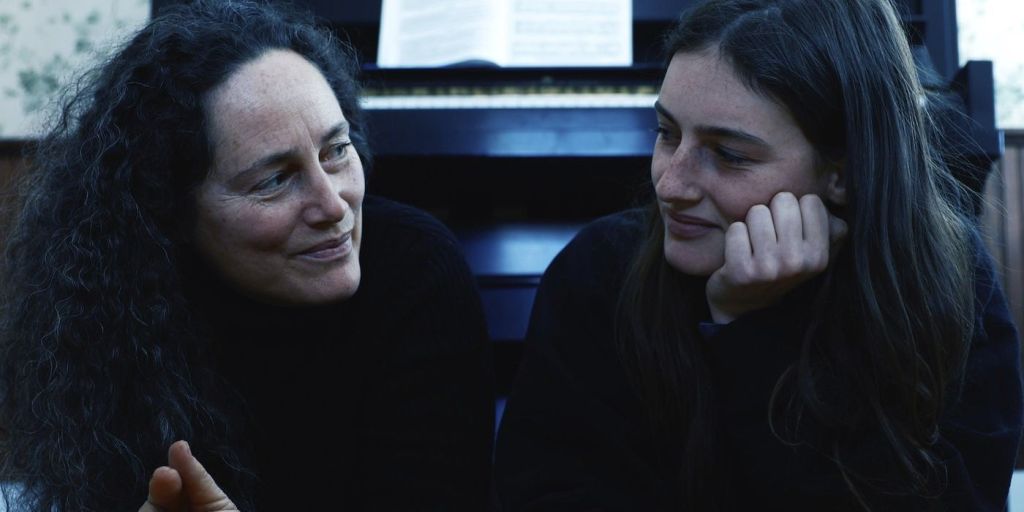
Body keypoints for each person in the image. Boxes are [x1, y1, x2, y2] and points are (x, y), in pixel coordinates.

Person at [493, 0, 1022, 510]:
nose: (670, 184)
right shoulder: (598, 270)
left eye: (729, 155)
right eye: (666, 132)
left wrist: (754, 334)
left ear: (843, 171)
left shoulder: (950, 282)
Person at [0, 1, 494, 510]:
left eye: (337, 150)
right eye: (274, 180)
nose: (333, 205)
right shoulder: (114, 316)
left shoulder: (417, 270)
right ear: (170, 212)